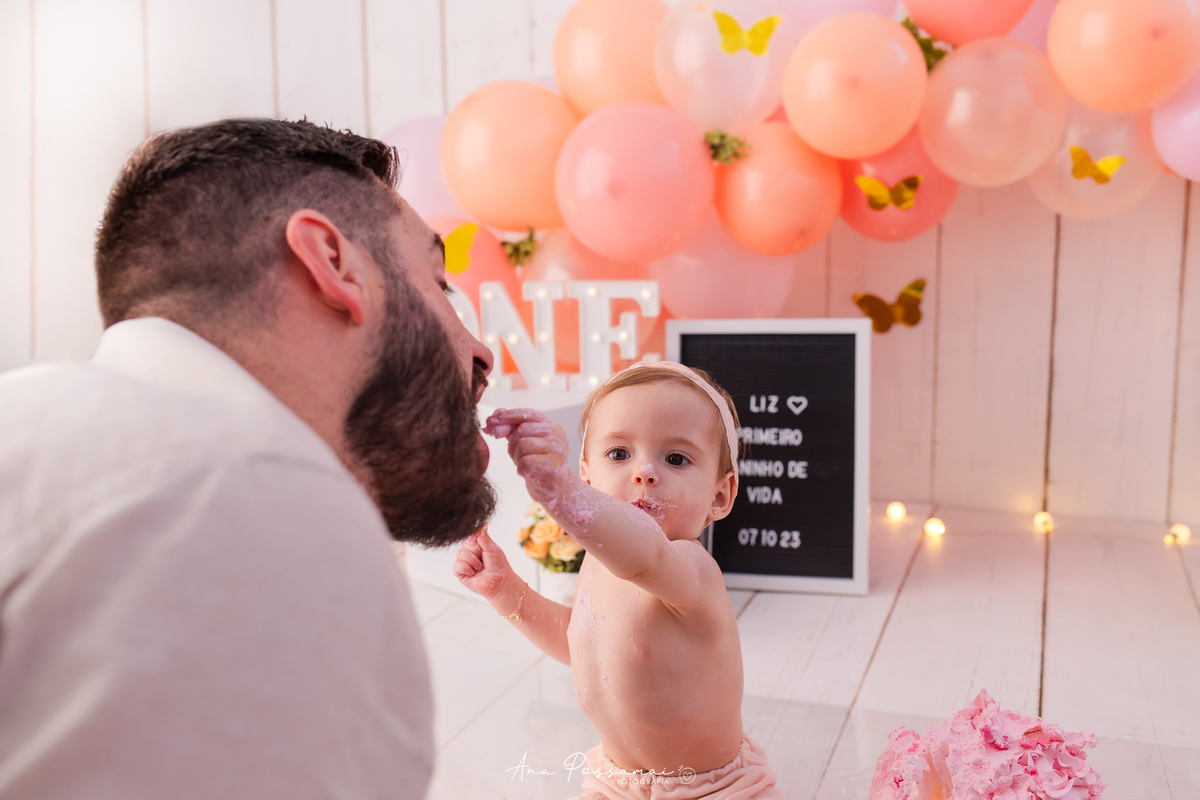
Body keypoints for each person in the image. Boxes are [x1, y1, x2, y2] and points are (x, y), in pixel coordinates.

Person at [0, 118, 496, 798]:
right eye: (441, 284)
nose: (482, 351)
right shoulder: (258, 504)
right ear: (332, 261)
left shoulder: (33, 422)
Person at [454, 362, 784, 799]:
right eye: (619, 454)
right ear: (590, 477)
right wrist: (506, 590)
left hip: (710, 788)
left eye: (676, 458)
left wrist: (559, 488)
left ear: (719, 496)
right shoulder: (597, 562)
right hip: (616, 782)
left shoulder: (691, 569)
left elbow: (644, 554)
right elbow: (582, 644)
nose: (644, 472)